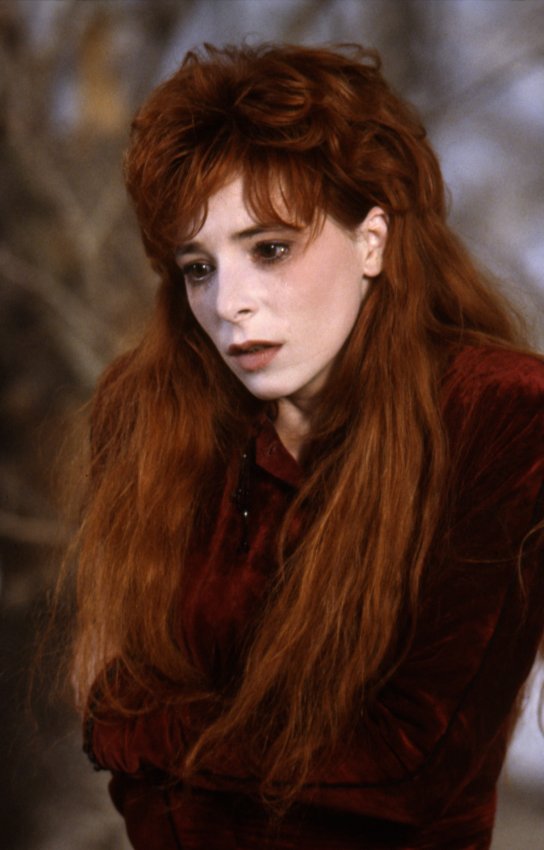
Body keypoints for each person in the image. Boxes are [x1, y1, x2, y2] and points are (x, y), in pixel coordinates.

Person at [74, 43, 544, 850]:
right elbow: (106, 706)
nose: (230, 303)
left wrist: (157, 734)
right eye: (197, 267)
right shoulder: (156, 416)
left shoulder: (497, 414)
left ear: (372, 241)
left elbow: (412, 764)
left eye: (270, 249)